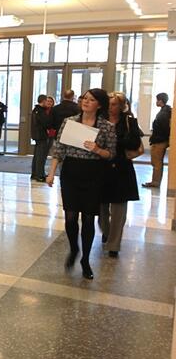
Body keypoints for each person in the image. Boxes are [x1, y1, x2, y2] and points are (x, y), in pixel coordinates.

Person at [46, 88, 116, 280]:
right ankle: (74, 249)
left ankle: (85, 259)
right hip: (71, 172)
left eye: (91, 100)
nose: (86, 101)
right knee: (70, 217)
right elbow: (59, 149)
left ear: (99, 105)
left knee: (88, 218)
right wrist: (51, 173)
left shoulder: (106, 127)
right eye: (84, 98)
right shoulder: (70, 122)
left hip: (93, 174)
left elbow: (111, 154)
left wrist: (97, 149)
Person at [100, 92, 142, 257]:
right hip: (102, 167)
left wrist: (114, 139)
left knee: (119, 211)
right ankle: (107, 232)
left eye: (115, 104)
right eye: (109, 104)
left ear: (122, 106)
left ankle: (114, 245)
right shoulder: (100, 119)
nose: (111, 108)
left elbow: (135, 143)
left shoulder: (129, 121)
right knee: (101, 209)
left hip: (121, 168)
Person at [142, 92, 171, 188]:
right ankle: (155, 181)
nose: (156, 102)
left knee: (157, 162)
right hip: (160, 139)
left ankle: (155, 182)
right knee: (156, 162)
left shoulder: (163, 113)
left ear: (160, 101)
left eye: (157, 100)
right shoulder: (165, 111)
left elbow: (163, 128)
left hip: (159, 140)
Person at [31, 94, 52, 182]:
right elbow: (46, 123)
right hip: (41, 135)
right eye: (46, 101)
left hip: (37, 135)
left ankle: (34, 173)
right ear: (43, 101)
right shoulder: (41, 111)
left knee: (37, 156)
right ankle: (40, 175)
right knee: (41, 156)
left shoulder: (35, 110)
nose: (47, 102)